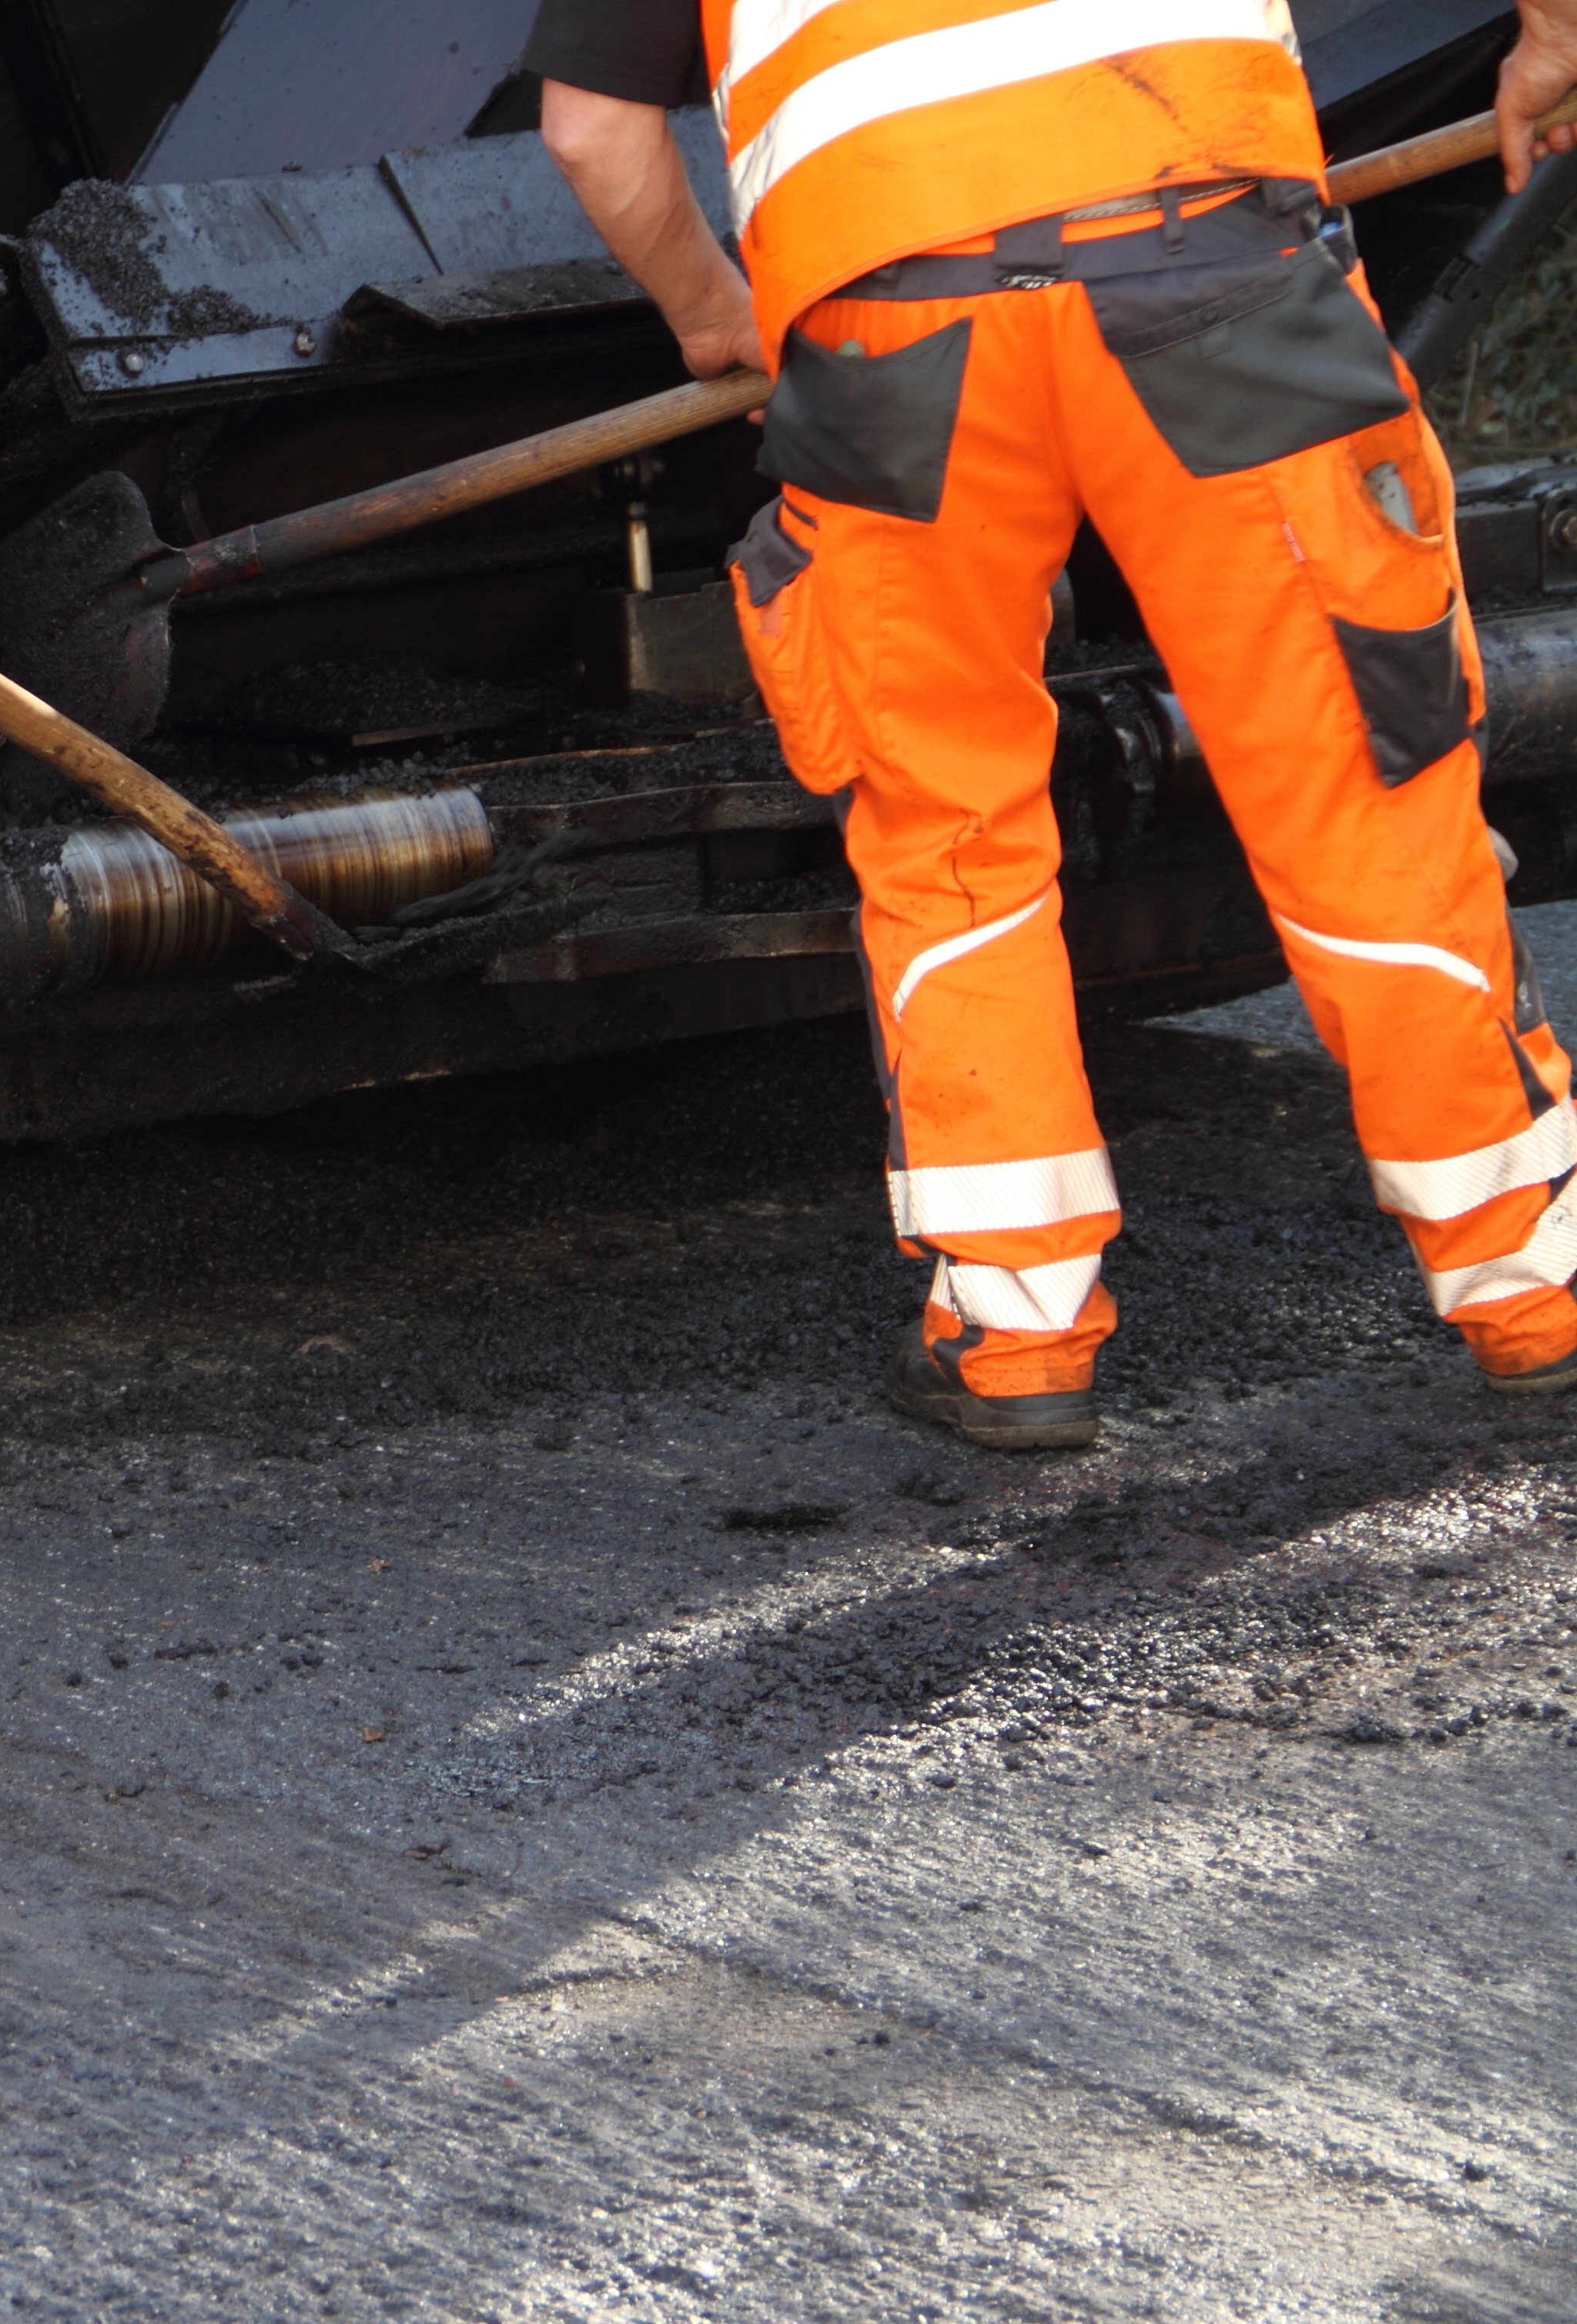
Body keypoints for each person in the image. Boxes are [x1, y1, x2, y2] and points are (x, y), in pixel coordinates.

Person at [530, 0, 1577, 1449]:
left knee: (946, 825)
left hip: (899, 336)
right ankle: (1531, 1296)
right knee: (1360, 790)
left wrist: (718, 315)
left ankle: (1016, 1336)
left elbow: (593, 131)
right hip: (1220, 279)